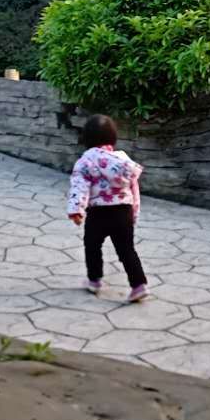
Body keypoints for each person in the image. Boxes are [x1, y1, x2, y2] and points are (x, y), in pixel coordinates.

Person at [67, 114, 148, 303]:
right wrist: (134, 212)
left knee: (92, 245)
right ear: (113, 138)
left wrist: (76, 210)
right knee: (127, 249)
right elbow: (133, 189)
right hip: (123, 211)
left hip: (99, 212)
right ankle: (139, 285)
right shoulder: (123, 160)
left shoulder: (86, 161)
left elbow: (79, 186)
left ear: (86, 138)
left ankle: (94, 280)